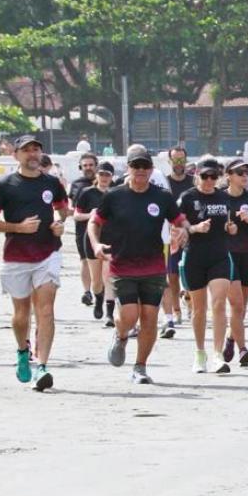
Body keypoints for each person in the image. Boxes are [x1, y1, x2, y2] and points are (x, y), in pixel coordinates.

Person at [89, 145, 188, 384]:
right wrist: (96, 244)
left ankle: (140, 367)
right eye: (136, 166)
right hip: (122, 265)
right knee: (130, 316)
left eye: (145, 166)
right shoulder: (114, 196)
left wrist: (183, 231)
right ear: (128, 168)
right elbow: (95, 222)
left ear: (152, 169)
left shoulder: (162, 197)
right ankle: (121, 335)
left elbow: (179, 220)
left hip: (153, 266)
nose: (141, 170)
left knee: (150, 317)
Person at [0, 135, 70, 391]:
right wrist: (18, 228)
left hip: (48, 253)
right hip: (16, 256)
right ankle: (23, 350)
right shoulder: (6, 185)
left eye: (36, 150)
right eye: (26, 150)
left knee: (46, 310)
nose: (32, 154)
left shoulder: (51, 183)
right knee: (21, 315)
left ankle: (42, 366)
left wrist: (59, 223)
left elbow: (63, 209)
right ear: (16, 155)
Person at [178, 156, 236, 374]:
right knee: (199, 308)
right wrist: (195, 228)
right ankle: (200, 352)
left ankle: (218, 355)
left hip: (219, 255)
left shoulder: (224, 197)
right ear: (197, 175)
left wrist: (231, 228)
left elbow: (229, 223)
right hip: (194, 256)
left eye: (214, 176)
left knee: (219, 303)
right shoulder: (187, 197)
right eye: (205, 176)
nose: (210, 180)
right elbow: (178, 226)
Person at [222, 158, 248, 367]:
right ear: (228, 175)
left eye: (247, 173)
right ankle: (242, 349)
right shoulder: (220, 197)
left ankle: (231, 338)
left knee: (242, 306)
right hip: (227, 254)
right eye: (240, 173)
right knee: (236, 303)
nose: (245, 176)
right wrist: (226, 228)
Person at [73, 162, 116, 325]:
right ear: (97, 175)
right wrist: (90, 215)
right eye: (101, 174)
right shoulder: (87, 193)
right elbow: (76, 215)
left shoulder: (116, 193)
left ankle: (110, 313)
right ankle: (98, 299)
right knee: (96, 280)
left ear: (112, 177)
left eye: (107, 175)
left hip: (111, 238)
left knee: (109, 276)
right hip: (92, 238)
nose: (104, 178)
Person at [161, 147, 194, 338]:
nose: (179, 164)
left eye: (182, 160)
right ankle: (176, 310)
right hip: (170, 234)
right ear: (170, 161)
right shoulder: (165, 184)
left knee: (190, 273)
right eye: (175, 160)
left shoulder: (193, 182)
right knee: (172, 275)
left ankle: (190, 300)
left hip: (191, 232)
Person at [68, 152, 100, 310]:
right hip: (82, 228)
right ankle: (87, 292)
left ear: (96, 166)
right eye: (85, 165)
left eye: (91, 165)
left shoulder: (106, 181)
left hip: (104, 229)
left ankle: (101, 291)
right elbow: (72, 208)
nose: (88, 168)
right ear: (80, 167)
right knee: (85, 260)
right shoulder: (76, 184)